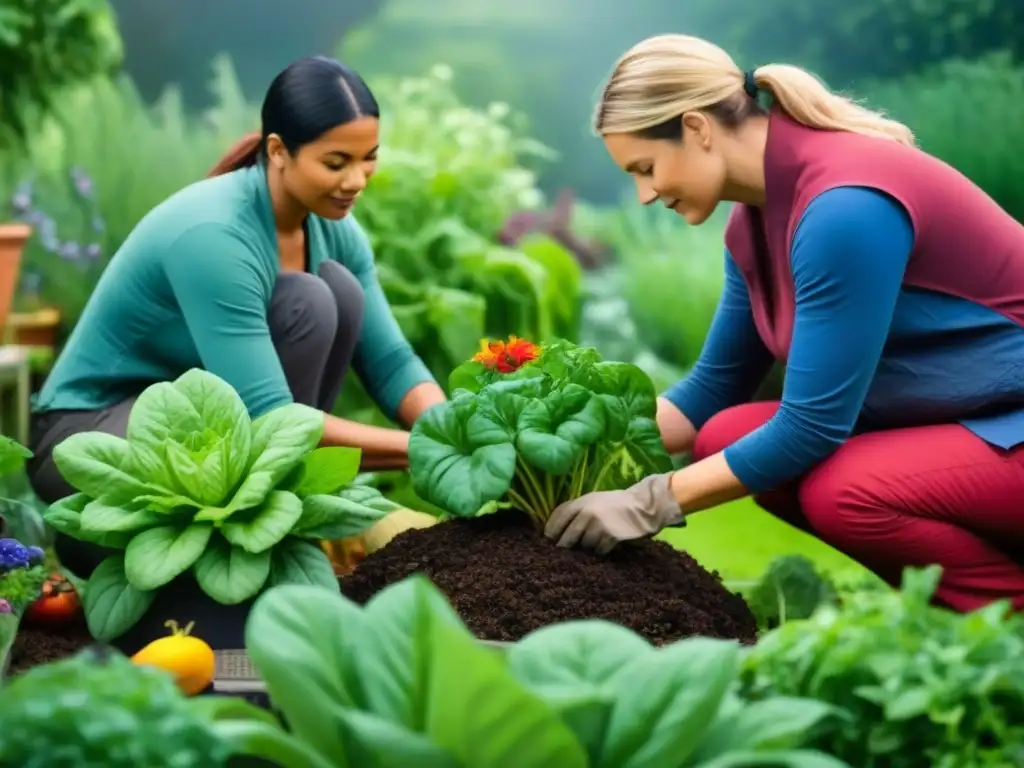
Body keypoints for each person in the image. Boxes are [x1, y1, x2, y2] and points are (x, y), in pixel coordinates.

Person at [545, 33, 1024, 614]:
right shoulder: (753, 226)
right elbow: (710, 391)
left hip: (1008, 425)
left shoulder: (844, 207)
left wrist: (649, 502)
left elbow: (813, 426)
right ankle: (968, 591)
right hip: (976, 424)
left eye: (646, 167)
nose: (644, 194)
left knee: (846, 493)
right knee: (725, 435)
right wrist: (567, 452)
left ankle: (1004, 620)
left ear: (697, 128)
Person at [25, 56, 446, 648]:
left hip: (207, 441)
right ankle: (146, 559)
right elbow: (276, 420)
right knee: (307, 301)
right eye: (336, 162)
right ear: (278, 151)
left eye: (368, 158)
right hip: (90, 438)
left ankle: (254, 550)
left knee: (334, 294)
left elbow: (393, 363)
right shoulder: (216, 236)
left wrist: (456, 431)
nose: (356, 179)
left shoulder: (334, 228)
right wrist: (427, 451)